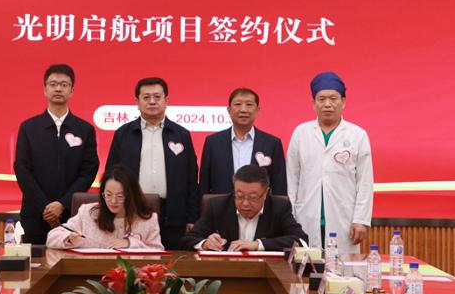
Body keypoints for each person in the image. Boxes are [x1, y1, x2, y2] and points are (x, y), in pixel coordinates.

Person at [105, 77, 198, 250]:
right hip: (133, 212)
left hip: (173, 214)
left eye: (157, 97)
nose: (152, 101)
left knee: (173, 262)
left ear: (166, 101)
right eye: (146, 97)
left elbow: (191, 178)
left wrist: (192, 217)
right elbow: (111, 174)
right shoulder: (123, 134)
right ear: (137, 102)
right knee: (134, 260)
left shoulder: (182, 134)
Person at [286, 72, 373, 254]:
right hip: (306, 216)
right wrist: (289, 217)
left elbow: (365, 182)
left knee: (344, 269)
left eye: (333, 98)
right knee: (306, 266)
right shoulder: (301, 133)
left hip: (344, 219)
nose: (327, 104)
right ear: (313, 103)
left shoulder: (357, 135)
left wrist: (361, 220)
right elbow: (291, 179)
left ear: (343, 102)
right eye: (321, 99)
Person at [14, 64, 99, 244]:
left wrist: (63, 204)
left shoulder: (85, 129)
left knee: (72, 258)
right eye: (53, 84)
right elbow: (22, 168)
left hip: (72, 213)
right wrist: (45, 207)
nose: (58, 89)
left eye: (64, 84)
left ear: (72, 91)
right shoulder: (29, 127)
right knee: (36, 260)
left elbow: (89, 170)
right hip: (35, 213)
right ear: (45, 90)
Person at [181, 165, 307, 251]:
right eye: (239, 196)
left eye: (252, 197)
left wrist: (258, 245)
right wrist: (205, 244)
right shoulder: (217, 206)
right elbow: (187, 240)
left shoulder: (279, 207)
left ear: (265, 194)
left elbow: (301, 240)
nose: (245, 203)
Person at [46, 165, 163, 250]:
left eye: (120, 196)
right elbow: (52, 237)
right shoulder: (87, 213)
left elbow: (157, 252)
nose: (113, 201)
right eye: (108, 195)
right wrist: (69, 238)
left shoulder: (148, 219)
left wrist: (130, 243)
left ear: (132, 195)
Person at [199, 87, 286, 196]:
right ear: (229, 110)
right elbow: (204, 185)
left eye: (249, 104)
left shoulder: (272, 144)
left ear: (257, 110)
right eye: (238, 104)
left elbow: (279, 186)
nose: (243, 109)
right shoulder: (213, 142)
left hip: (260, 206)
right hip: (222, 206)